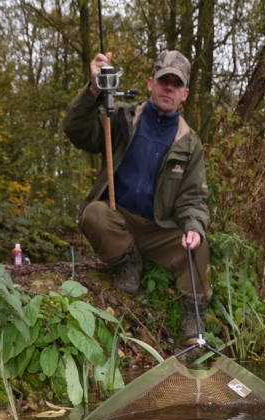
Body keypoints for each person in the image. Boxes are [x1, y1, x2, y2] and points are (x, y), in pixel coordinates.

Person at [63, 49, 211, 356]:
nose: (168, 87)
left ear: (185, 93)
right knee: (93, 214)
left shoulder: (189, 142)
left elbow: (193, 198)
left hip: (160, 229)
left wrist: (194, 226)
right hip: (121, 219)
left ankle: (192, 320)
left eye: (176, 83)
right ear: (150, 83)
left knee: (198, 244)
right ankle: (129, 262)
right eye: (163, 80)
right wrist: (93, 88)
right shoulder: (120, 117)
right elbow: (76, 131)